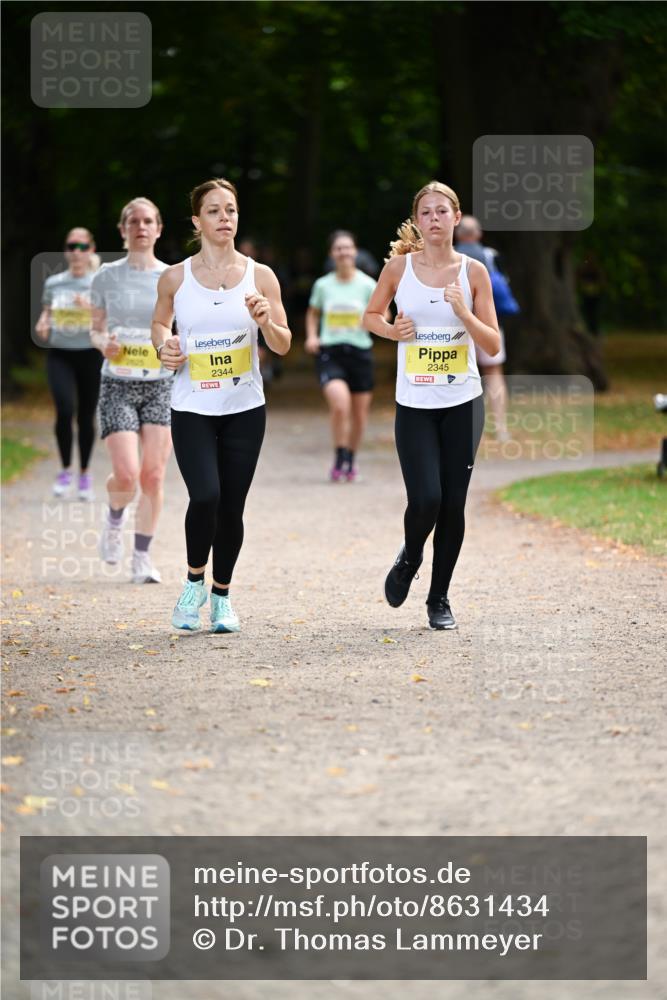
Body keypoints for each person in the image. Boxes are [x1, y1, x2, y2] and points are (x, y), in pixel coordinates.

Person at [152, 178, 291, 634]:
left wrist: (266, 321)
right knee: (206, 495)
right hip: (192, 406)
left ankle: (222, 598)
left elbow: (284, 344)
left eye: (230, 210)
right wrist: (164, 346)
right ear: (197, 220)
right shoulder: (175, 276)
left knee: (232, 506)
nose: (224, 218)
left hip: (244, 407)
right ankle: (193, 581)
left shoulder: (261, 276)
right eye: (214, 211)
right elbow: (159, 324)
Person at [363, 182, 500, 630]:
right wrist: (391, 332)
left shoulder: (474, 272)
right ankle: (410, 556)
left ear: (457, 218)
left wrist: (465, 314)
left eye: (443, 211)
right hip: (415, 403)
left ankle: (438, 597)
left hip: (463, 401)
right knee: (426, 498)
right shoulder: (398, 269)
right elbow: (371, 316)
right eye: (427, 212)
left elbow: (494, 343)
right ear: (418, 221)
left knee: (453, 504)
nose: (435, 218)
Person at [90, 197, 172, 584]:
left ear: (159, 229)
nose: (141, 227)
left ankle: (141, 557)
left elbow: (182, 327)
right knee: (126, 474)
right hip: (118, 384)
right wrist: (101, 341)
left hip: (160, 385)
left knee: (153, 477)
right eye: (134, 222)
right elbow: (95, 326)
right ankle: (114, 518)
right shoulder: (106, 275)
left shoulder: (173, 276)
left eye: (148, 221)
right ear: (123, 230)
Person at [35, 228, 102, 500]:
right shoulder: (54, 283)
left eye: (82, 246)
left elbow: (110, 322)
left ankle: (84, 473)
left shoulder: (99, 283)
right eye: (72, 246)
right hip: (60, 354)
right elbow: (45, 316)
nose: (76, 251)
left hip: (90, 354)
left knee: (86, 415)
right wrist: (43, 323)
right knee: (64, 409)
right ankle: (65, 470)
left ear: (91, 250)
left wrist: (90, 309)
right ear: (66, 251)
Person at [306, 231, 377, 482]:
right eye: (338, 248)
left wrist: (371, 322)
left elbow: (384, 315)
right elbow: (313, 313)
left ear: (355, 252)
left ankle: (350, 459)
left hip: (360, 353)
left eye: (348, 248)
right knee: (340, 405)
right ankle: (339, 455)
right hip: (331, 352)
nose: (344, 252)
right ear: (331, 254)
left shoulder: (368, 284)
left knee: (359, 415)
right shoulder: (323, 285)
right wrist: (312, 336)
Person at [455, 215, 512, 442]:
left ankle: (462, 428)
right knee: (494, 373)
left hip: (455, 325)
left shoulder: (449, 256)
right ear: (478, 234)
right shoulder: (490, 255)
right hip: (488, 323)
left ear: (458, 233)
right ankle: (500, 428)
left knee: (456, 374)